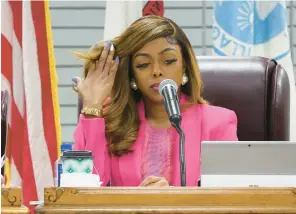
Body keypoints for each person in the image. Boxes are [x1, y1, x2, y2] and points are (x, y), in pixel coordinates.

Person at [71, 15, 238, 187]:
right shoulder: (110, 121)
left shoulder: (218, 123)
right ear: (132, 75)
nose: (157, 71)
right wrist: (92, 108)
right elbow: (80, 191)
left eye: (168, 61)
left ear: (185, 66)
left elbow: (229, 198)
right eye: (143, 64)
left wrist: (172, 201)